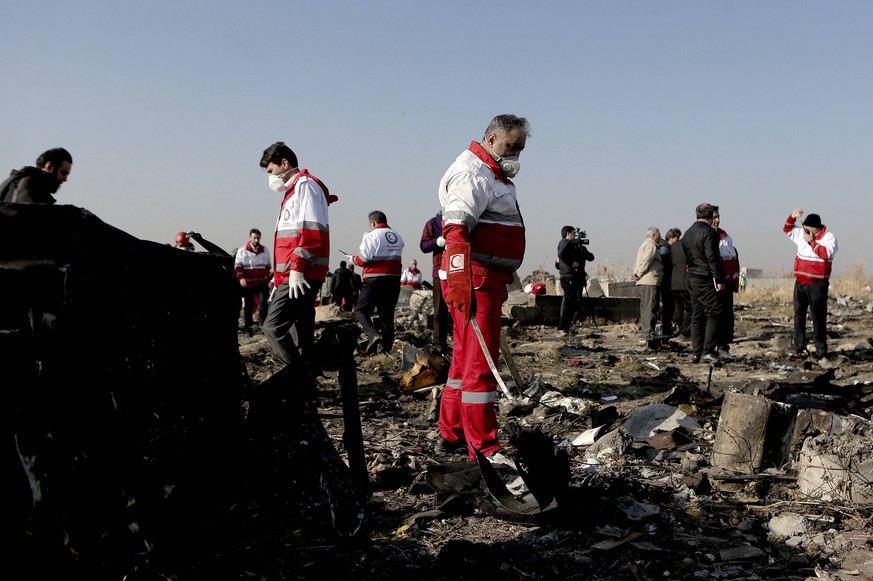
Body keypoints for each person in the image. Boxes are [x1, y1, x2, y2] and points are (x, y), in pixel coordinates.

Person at [435, 114, 529, 463]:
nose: (516, 155)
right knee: (480, 365)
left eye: (520, 148)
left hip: (486, 278)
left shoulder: (493, 174)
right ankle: (483, 446)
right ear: (491, 139)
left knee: (463, 360)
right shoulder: (473, 173)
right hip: (476, 281)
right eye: (511, 147)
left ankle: (452, 433)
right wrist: (460, 281)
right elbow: (456, 230)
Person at [259, 141, 338, 372]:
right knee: (301, 333)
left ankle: (299, 377)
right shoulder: (295, 191)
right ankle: (309, 384)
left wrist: (296, 268)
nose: (271, 178)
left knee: (273, 327)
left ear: (285, 164)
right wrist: (280, 277)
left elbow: (312, 234)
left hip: (302, 273)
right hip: (294, 274)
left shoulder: (305, 186)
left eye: (271, 171)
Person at [347, 211, 404, 354]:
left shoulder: (371, 235)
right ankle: (385, 349)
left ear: (373, 223)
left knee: (361, 310)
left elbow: (364, 259)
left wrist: (353, 259)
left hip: (374, 279)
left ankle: (373, 335)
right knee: (387, 314)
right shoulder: (397, 236)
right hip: (393, 279)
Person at [783, 209, 838, 358]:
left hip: (817, 285)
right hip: (800, 282)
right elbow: (787, 229)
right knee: (799, 315)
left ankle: (821, 349)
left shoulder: (829, 237)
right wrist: (792, 217)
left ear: (815, 228)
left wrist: (811, 242)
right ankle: (798, 346)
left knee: (818, 317)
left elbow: (826, 254)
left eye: (807, 228)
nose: (804, 230)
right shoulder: (802, 234)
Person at [682, 203, 724, 364]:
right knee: (714, 312)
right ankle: (708, 350)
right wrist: (719, 279)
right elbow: (712, 257)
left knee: (697, 314)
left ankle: (696, 352)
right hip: (704, 277)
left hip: (691, 276)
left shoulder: (687, 233)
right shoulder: (709, 233)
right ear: (710, 215)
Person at [556, 226, 595, 337]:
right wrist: (571, 263)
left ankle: (567, 326)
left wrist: (581, 251)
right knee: (569, 302)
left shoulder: (570, 246)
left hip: (574, 277)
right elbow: (562, 255)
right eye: (573, 233)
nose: (574, 235)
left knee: (573, 303)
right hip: (569, 277)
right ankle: (563, 327)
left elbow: (591, 257)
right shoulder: (565, 243)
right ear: (568, 233)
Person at [420, 210, 451, 350]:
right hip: (440, 271)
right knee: (439, 309)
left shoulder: (462, 220)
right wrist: (437, 242)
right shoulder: (433, 223)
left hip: (459, 269)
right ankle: (439, 343)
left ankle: (462, 343)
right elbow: (424, 246)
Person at [711, 206, 740, 359]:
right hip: (710, 285)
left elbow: (733, 260)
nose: (717, 220)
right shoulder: (704, 236)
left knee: (725, 315)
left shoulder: (726, 238)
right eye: (714, 217)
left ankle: (723, 344)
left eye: (718, 216)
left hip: (726, 284)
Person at [234, 228, 272, 336]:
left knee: (263, 303)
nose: (256, 240)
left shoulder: (265, 250)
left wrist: (267, 279)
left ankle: (262, 325)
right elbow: (238, 267)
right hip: (248, 284)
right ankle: (248, 327)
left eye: (258, 238)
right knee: (248, 305)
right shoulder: (242, 251)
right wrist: (241, 278)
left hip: (261, 283)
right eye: (254, 238)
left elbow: (268, 266)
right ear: (250, 238)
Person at [0, 148, 73, 204]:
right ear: (49, 167)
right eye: (63, 173)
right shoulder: (31, 184)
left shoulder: (17, 180)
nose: (65, 179)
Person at [632, 227, 663, 346]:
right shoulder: (651, 246)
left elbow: (639, 261)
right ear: (654, 235)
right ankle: (648, 333)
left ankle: (646, 332)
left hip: (644, 281)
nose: (660, 236)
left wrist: (636, 274)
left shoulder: (644, 245)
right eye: (659, 234)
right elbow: (646, 261)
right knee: (650, 307)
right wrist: (639, 274)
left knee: (646, 307)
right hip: (649, 281)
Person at [667, 228, 692, 339]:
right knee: (689, 307)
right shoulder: (687, 247)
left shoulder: (673, 247)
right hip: (684, 282)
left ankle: (677, 326)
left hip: (674, 283)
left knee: (678, 306)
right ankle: (686, 331)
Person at [659, 228, 680, 337]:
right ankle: (666, 329)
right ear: (671, 238)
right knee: (668, 306)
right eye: (677, 237)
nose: (678, 240)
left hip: (668, 281)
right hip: (667, 282)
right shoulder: (665, 249)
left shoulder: (666, 248)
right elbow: (666, 267)